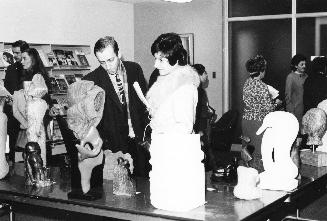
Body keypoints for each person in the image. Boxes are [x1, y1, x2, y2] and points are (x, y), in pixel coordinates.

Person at [146, 33, 204, 211]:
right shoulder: (166, 82)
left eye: (161, 60)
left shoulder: (185, 88)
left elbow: (184, 128)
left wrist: (160, 130)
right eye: (156, 59)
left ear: (176, 60)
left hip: (174, 158)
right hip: (164, 155)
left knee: (173, 206)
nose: (156, 65)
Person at [83, 36, 149, 177]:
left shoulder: (134, 69)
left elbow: (144, 104)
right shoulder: (90, 80)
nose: (107, 66)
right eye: (102, 62)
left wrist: (147, 135)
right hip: (113, 145)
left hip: (138, 140)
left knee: (143, 184)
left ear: (119, 54)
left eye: (110, 60)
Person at [242, 55, 281, 173]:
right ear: (261, 71)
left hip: (246, 121)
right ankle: (260, 177)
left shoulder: (247, 83)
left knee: (248, 151)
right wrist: (277, 103)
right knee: (260, 152)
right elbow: (268, 109)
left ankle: (249, 176)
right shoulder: (262, 86)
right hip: (258, 122)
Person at [4, 40, 30, 164]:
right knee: (13, 142)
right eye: (13, 53)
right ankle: (14, 165)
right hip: (13, 113)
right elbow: (7, 90)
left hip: (28, 112)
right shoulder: (10, 69)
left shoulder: (32, 69)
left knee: (30, 144)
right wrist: (7, 98)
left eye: (17, 53)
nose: (15, 56)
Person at [192, 63, 216, 171]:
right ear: (199, 75)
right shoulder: (198, 91)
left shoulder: (197, 89)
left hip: (200, 126)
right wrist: (201, 130)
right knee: (205, 153)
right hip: (201, 128)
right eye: (205, 73)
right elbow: (200, 112)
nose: (206, 75)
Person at [285, 54, 307, 126]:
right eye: (302, 64)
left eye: (305, 64)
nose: (304, 66)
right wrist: (291, 111)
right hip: (296, 110)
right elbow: (288, 96)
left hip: (306, 110)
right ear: (296, 66)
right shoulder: (290, 77)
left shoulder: (307, 76)